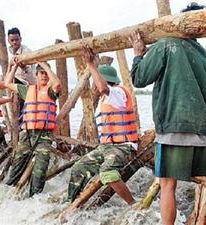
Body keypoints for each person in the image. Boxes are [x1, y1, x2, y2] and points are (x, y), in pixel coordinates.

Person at [129, 3, 206, 225]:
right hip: (202, 129)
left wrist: (137, 55)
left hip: (173, 127)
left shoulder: (165, 45)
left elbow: (139, 79)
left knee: (167, 184)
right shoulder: (203, 55)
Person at [66, 46, 138, 205]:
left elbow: (103, 88)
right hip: (106, 147)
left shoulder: (118, 92)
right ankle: (70, 204)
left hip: (123, 147)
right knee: (78, 168)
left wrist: (91, 65)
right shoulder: (106, 100)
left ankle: (133, 204)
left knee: (107, 173)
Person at [5, 60, 61, 197]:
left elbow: (57, 84)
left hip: (44, 136)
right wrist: (15, 66)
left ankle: (34, 198)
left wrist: (46, 66)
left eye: (46, 73)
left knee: (40, 170)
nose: (44, 76)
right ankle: (9, 193)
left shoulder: (51, 90)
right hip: (28, 134)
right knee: (17, 164)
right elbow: (7, 83)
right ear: (36, 75)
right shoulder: (28, 89)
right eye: (41, 73)